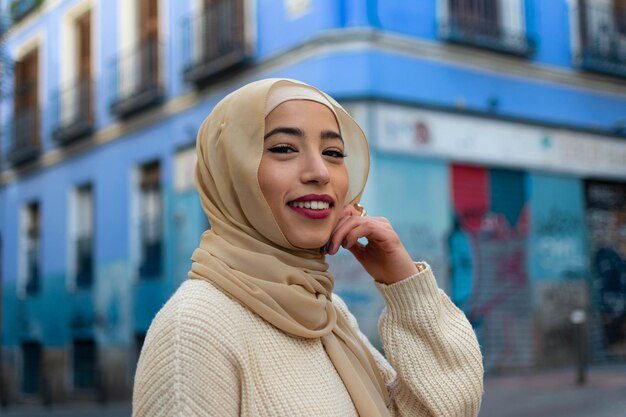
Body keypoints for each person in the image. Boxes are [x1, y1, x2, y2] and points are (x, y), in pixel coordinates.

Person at [132, 78, 483, 417]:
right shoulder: (194, 330)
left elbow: (449, 408)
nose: (320, 172)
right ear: (231, 173)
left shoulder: (328, 312)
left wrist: (403, 282)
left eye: (333, 152)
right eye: (284, 148)